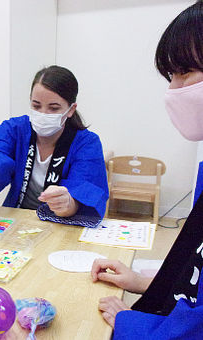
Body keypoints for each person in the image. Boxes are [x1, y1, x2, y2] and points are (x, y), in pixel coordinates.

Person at [91, 2, 203, 338]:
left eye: (184, 72)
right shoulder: (18, 129)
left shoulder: (85, 140)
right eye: (171, 76)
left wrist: (133, 324)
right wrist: (144, 282)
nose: (173, 89)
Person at [0, 65, 108, 221]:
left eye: (54, 108)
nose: (43, 113)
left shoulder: (87, 143)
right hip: (18, 219)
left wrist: (68, 203)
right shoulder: (15, 129)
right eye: (36, 106)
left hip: (61, 223)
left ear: (71, 109)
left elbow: (86, 189)